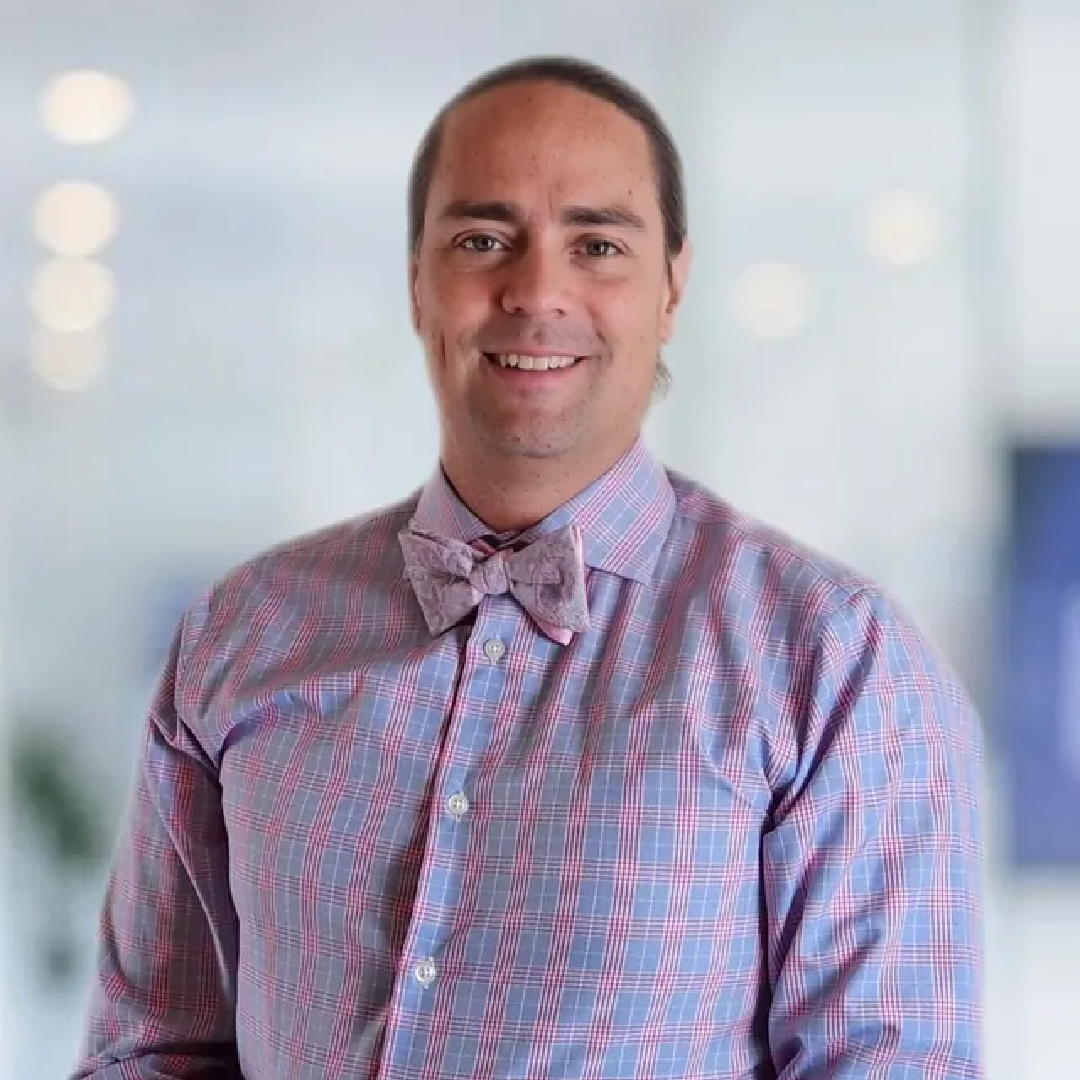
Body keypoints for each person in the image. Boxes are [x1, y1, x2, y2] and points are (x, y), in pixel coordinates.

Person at [72, 56, 985, 1080]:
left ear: (672, 286)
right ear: (418, 280)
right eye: (482, 239)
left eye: (597, 243)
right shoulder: (244, 632)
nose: (537, 290)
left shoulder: (835, 662)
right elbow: (152, 1051)